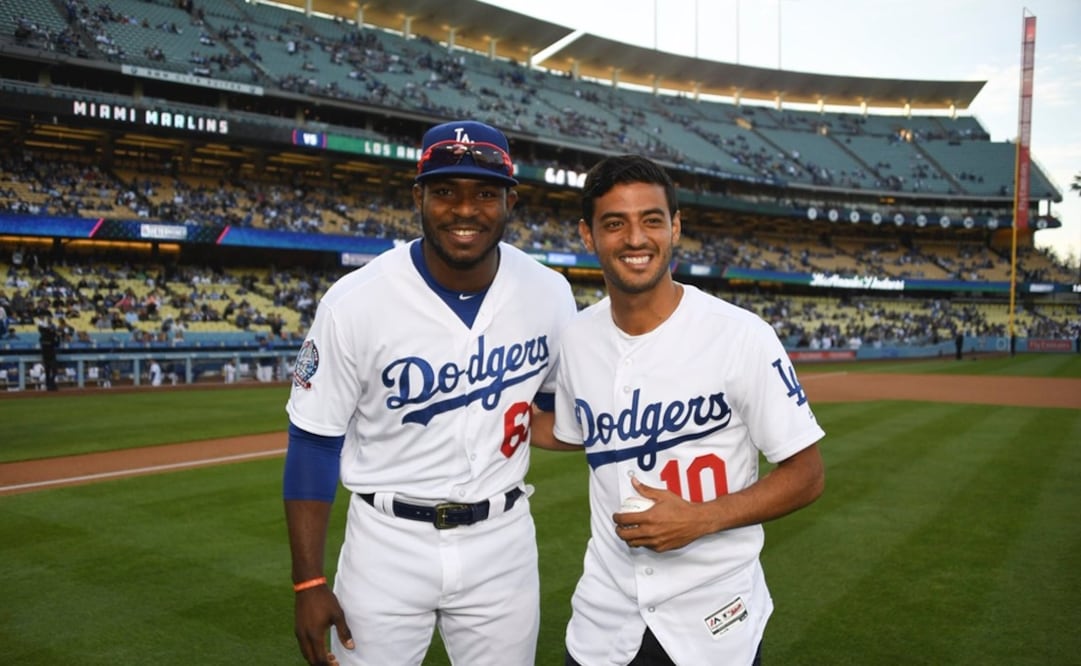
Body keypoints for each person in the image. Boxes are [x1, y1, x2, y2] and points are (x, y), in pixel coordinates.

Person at [282, 119, 578, 666]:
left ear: (511, 200)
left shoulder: (548, 292)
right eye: (445, 191)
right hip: (385, 543)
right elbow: (313, 442)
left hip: (502, 541)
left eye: (485, 193)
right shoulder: (355, 301)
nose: (465, 210)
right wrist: (308, 583)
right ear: (418, 196)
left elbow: (559, 410)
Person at [535, 155, 825, 665]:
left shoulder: (741, 335)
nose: (635, 239)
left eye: (651, 220)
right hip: (604, 622)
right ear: (587, 235)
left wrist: (704, 519)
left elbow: (806, 475)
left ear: (676, 227)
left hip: (713, 621)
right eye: (614, 223)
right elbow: (574, 431)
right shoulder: (577, 339)